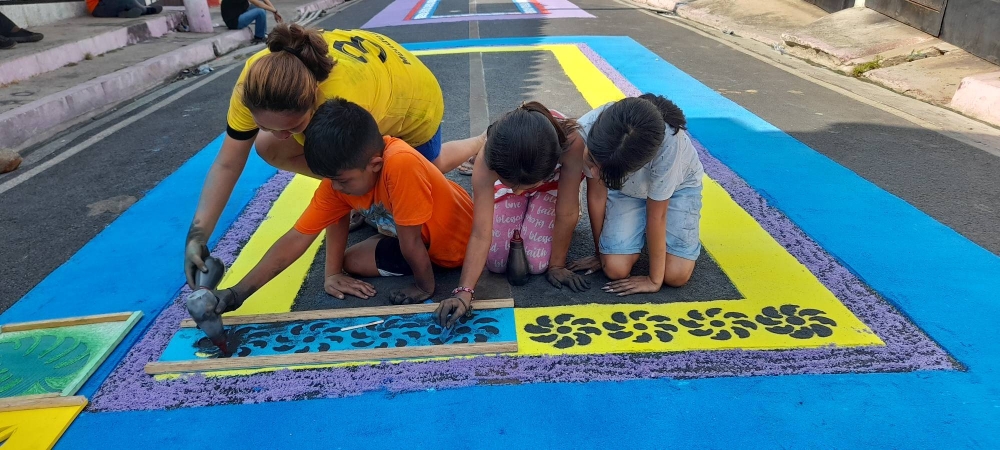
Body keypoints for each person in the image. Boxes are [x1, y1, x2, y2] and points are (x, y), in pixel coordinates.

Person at [183, 23, 479, 290]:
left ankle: (480, 142)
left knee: (419, 171)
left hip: (412, 96)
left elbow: (347, 172)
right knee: (273, 149)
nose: (281, 136)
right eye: (264, 125)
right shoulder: (253, 86)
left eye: (294, 127)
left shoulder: (345, 97)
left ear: (314, 100)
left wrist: (421, 283)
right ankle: (360, 193)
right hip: (369, 81)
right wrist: (197, 236)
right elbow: (227, 162)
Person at [200, 98, 474, 311]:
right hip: (414, 233)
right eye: (331, 180)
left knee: (405, 241)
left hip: (455, 247)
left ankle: (419, 263)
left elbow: (411, 243)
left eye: (342, 180)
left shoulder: (400, 163)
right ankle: (390, 232)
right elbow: (296, 238)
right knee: (350, 261)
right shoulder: (341, 180)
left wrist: (424, 288)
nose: (336, 187)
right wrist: (237, 293)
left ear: (375, 165)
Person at [435, 102, 594, 327]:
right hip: (518, 173)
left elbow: (566, 212)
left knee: (538, 263)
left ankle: (532, 191)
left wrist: (557, 265)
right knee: (497, 261)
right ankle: (513, 189)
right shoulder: (490, 158)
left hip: (553, 186)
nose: (519, 192)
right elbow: (481, 232)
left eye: (524, 187)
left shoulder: (572, 142)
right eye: (514, 186)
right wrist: (464, 292)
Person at [567, 94, 705, 295]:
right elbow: (597, 197)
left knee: (675, 275)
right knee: (614, 269)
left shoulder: (669, 145)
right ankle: (638, 236)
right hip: (627, 189)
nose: (593, 173)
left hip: (678, 189)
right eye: (591, 162)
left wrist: (653, 280)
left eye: (598, 168)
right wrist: (600, 253)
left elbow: (657, 215)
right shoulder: (591, 129)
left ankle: (652, 239)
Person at [87, 0, 162, 18]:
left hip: (108, 5)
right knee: (128, 1)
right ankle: (147, 10)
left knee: (139, 1)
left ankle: (124, 13)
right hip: (98, 7)